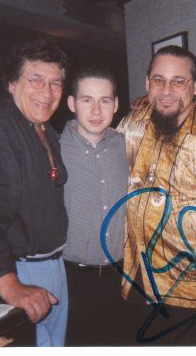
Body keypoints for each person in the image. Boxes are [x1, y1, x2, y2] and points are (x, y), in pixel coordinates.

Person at [116, 45, 196, 345]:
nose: (166, 90)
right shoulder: (133, 124)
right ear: (147, 83)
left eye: (178, 81)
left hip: (194, 293)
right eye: (158, 80)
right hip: (139, 281)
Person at [0, 37, 69, 347]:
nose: (47, 92)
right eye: (36, 80)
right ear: (12, 83)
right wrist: (11, 287)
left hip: (46, 270)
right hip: (7, 275)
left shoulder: (43, 128)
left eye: (55, 83)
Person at [60, 66, 130, 345]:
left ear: (116, 104)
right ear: (72, 103)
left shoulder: (127, 146)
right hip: (71, 281)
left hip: (120, 279)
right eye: (87, 100)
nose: (96, 111)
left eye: (105, 101)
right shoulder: (53, 149)